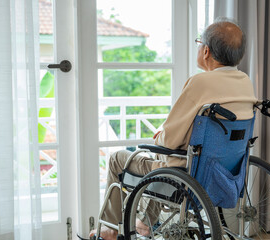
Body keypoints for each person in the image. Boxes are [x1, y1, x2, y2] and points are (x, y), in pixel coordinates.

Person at [89, 17, 257, 240]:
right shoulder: (245, 82)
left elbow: (168, 141)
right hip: (224, 173)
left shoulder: (200, 83)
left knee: (119, 159)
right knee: (164, 160)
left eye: (199, 43)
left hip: (186, 177)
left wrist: (160, 137)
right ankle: (145, 224)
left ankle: (109, 229)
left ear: (206, 51)